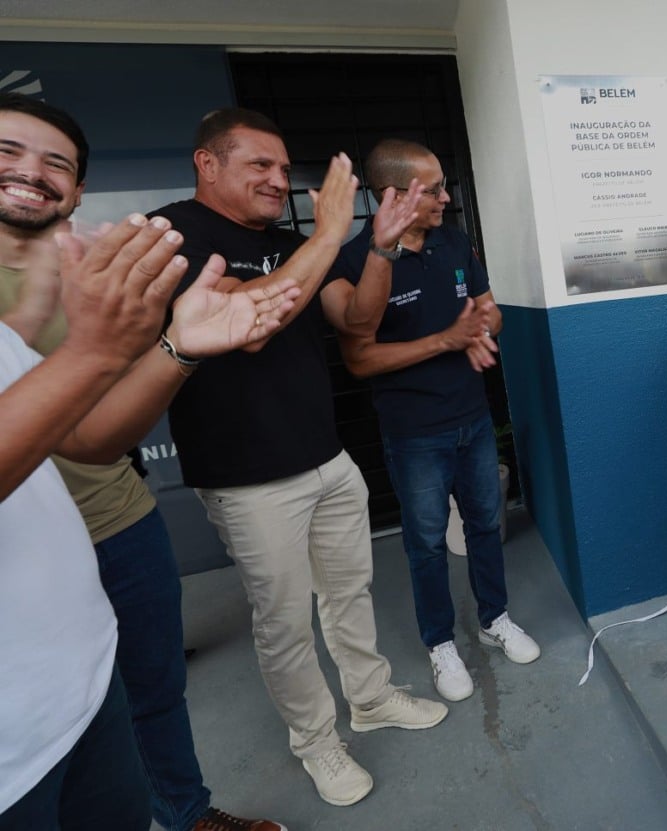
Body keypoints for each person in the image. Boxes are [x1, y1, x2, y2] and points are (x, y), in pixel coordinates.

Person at [0, 92, 286, 831]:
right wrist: (90, 349)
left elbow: (90, 437)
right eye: (7, 152)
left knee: (149, 695)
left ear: (77, 190)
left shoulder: (89, 270)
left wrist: (179, 346)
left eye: (56, 163)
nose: (30, 172)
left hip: (113, 526)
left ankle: (186, 812)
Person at [149, 108, 447, 808]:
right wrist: (328, 237)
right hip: (247, 478)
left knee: (349, 593)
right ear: (207, 163)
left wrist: (379, 250)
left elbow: (356, 320)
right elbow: (246, 326)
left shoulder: (291, 242)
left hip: (327, 458)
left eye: (284, 169)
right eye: (260, 164)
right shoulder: (175, 234)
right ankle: (316, 743)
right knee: (284, 622)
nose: (279, 180)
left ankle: (370, 698)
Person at [330, 139, 540, 703]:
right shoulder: (350, 263)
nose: (447, 197)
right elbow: (359, 359)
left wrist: (482, 328)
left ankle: (494, 618)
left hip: (473, 417)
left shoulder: (452, 239)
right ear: (393, 195)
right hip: (414, 433)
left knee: (484, 525)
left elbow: (491, 310)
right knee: (425, 543)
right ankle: (440, 643)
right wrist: (446, 340)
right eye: (435, 189)